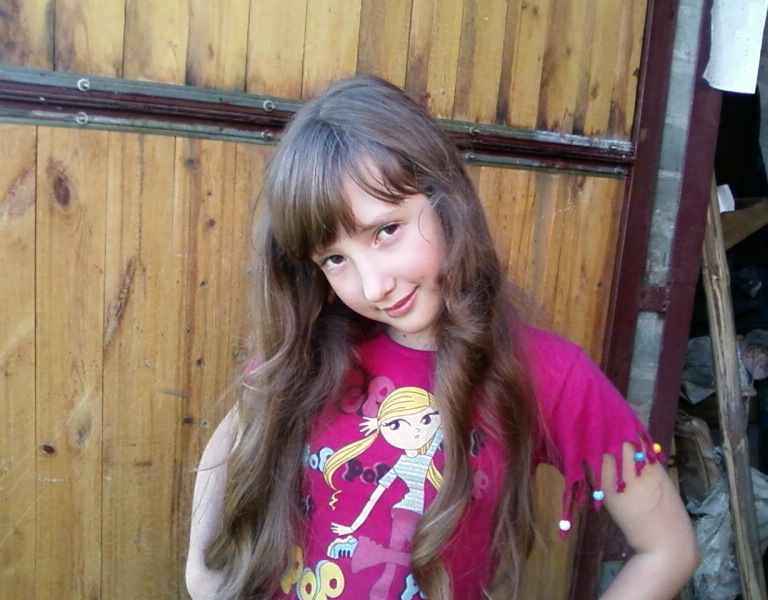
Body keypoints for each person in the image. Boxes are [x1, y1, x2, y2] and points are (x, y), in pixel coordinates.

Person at [186, 74, 700, 600]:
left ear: (446, 199)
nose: (373, 286)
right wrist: (201, 575)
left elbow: (668, 549)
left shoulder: (549, 372)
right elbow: (236, 431)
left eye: (386, 231)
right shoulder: (314, 348)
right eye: (334, 259)